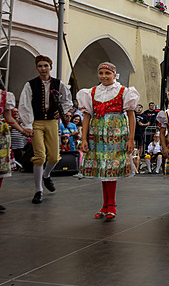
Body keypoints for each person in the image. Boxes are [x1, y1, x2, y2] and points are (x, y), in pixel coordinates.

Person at [77, 62, 139, 219]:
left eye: (107, 73)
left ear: (114, 74)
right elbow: (86, 116)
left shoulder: (123, 91)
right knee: (103, 168)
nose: (104, 76)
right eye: (101, 73)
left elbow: (131, 116)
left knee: (112, 168)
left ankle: (111, 204)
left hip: (116, 132)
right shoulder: (91, 92)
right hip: (97, 133)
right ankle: (105, 205)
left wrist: (131, 139)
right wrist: (84, 138)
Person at [18, 55, 72, 204]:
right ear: (37, 68)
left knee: (54, 157)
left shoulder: (58, 83)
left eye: (45, 66)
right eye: (40, 66)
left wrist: (63, 111)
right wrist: (28, 124)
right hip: (36, 122)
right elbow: (24, 104)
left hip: (52, 122)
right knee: (40, 156)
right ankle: (38, 190)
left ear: (51, 67)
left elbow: (67, 99)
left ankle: (46, 175)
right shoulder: (30, 85)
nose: (43, 68)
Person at [0, 85, 29, 211]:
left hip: (0, 134)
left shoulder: (5, 96)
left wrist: (22, 130)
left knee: (1, 168)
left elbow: (8, 117)